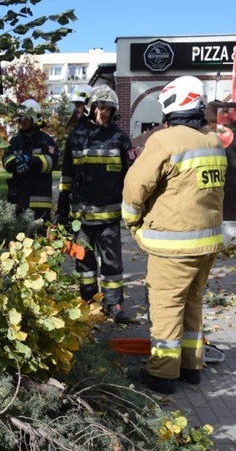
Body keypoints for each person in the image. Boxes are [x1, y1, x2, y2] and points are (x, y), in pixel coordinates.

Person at [122, 75, 227, 395]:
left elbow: (135, 186)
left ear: (170, 104)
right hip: (207, 243)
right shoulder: (212, 141)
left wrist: (131, 221)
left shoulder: (165, 141)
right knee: (193, 302)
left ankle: (162, 374)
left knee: (167, 306)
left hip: (174, 246)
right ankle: (191, 366)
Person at [54, 85, 136, 324]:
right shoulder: (76, 138)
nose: (104, 112)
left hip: (109, 218)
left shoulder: (120, 139)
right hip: (82, 217)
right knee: (85, 265)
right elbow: (66, 177)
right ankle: (89, 302)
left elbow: (132, 177)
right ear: (91, 109)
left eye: (108, 108)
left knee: (112, 265)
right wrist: (61, 212)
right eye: (100, 107)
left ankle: (114, 304)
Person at [2, 99, 59, 230]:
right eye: (20, 118)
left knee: (41, 241)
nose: (23, 121)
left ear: (34, 117)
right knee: (17, 240)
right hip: (18, 201)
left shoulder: (46, 141)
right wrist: (17, 163)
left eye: (26, 117)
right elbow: (6, 159)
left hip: (40, 203)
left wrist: (30, 160)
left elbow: (51, 162)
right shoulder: (15, 141)